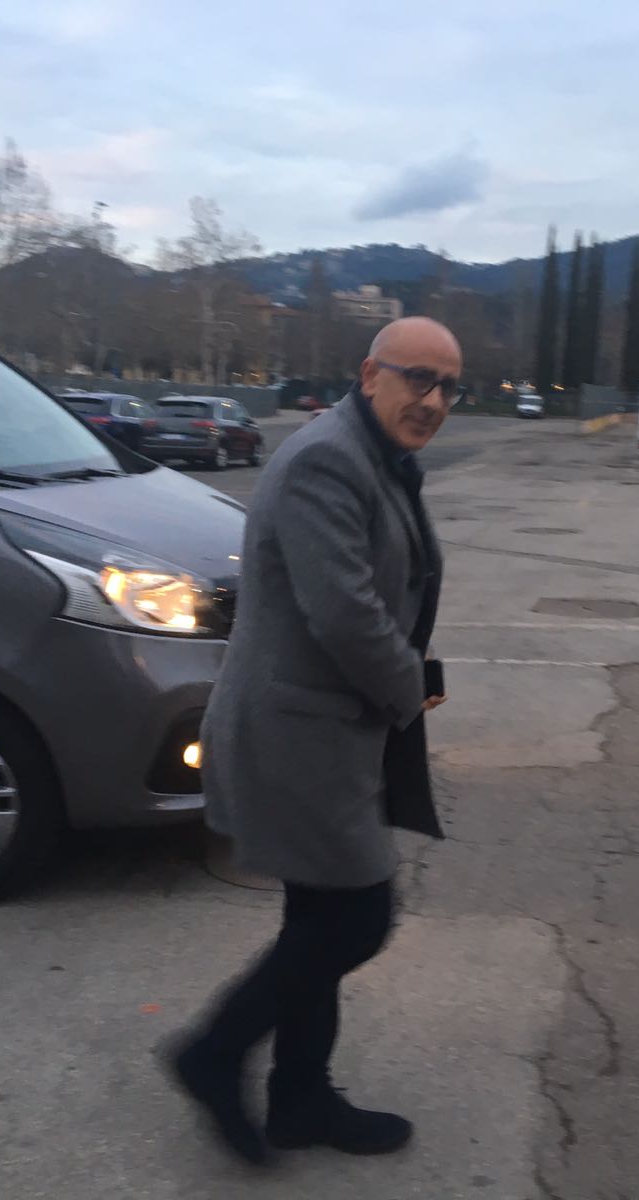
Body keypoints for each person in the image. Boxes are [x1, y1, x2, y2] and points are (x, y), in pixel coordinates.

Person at [169, 316, 462, 1165]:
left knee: (320, 915)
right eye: (417, 378)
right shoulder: (327, 460)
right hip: (296, 732)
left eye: (448, 387)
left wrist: (409, 683)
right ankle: (213, 1053)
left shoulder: (374, 453)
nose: (433, 400)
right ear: (370, 374)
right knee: (357, 917)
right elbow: (344, 612)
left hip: (329, 726)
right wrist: (410, 688)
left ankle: (300, 1099)